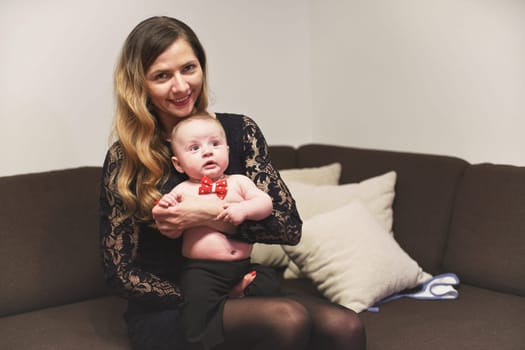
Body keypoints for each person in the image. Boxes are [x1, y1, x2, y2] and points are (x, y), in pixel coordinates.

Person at [100, 15, 366, 350]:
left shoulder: (239, 132)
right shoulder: (126, 157)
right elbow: (120, 273)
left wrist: (206, 214)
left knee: (346, 325)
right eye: (162, 76)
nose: (181, 87)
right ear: (139, 84)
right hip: (173, 306)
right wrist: (204, 295)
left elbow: (288, 227)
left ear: (202, 67)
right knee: (287, 318)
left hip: (238, 282)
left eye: (188, 68)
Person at [158, 113, 281, 348]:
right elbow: (170, 229)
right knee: (196, 302)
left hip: (242, 266)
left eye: (214, 144)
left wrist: (244, 209)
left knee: (269, 280)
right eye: (194, 148)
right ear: (178, 163)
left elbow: (265, 203)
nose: (207, 151)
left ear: (227, 149)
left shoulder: (239, 181)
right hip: (203, 270)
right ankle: (203, 342)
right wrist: (164, 209)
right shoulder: (182, 189)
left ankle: (240, 296)